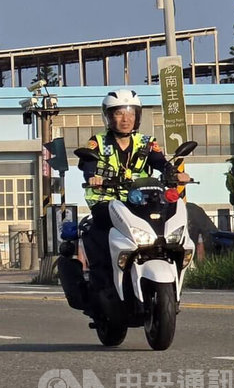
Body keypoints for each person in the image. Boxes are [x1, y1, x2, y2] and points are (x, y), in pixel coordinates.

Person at [78, 89, 190, 286]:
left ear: (137, 117)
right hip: (106, 200)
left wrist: (173, 173)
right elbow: (88, 163)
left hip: (141, 199)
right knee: (101, 233)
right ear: (109, 117)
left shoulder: (146, 142)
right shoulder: (98, 141)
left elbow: (159, 161)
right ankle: (100, 278)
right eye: (119, 113)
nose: (125, 119)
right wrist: (93, 176)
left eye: (130, 113)